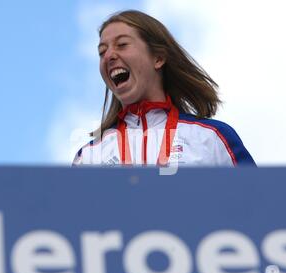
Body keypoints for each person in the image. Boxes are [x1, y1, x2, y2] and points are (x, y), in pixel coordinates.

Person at [73, 10, 255, 167]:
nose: (109, 56)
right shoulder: (88, 158)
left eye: (122, 45)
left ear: (158, 58)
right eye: (102, 52)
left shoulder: (212, 138)